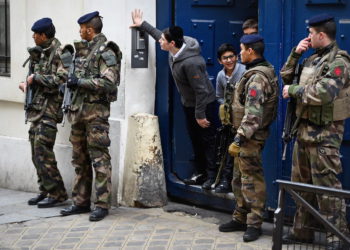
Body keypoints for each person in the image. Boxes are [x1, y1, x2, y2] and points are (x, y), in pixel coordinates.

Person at [280, 13, 350, 250]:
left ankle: (336, 238)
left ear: (321, 35)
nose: (308, 37)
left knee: (328, 190)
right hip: (303, 132)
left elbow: (324, 93)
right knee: (301, 185)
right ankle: (302, 233)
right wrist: (295, 54)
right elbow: (285, 77)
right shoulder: (310, 60)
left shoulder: (339, 62)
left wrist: (295, 90)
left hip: (324, 135)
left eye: (311, 33)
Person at [130, 9, 217, 189]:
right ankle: (200, 173)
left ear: (171, 44)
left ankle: (212, 176)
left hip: (203, 105)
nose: (159, 41)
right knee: (195, 139)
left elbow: (201, 91)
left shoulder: (191, 62)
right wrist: (142, 25)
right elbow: (158, 34)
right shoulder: (175, 48)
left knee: (207, 141)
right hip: (189, 104)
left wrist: (200, 115)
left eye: (163, 40)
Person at [60, 11, 122, 221]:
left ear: (90, 29)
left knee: (99, 160)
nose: (79, 32)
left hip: (96, 116)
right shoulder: (80, 52)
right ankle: (80, 202)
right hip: (78, 113)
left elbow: (108, 83)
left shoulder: (106, 52)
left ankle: (102, 205)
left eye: (82, 28)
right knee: (79, 160)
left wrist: (80, 83)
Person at [218, 34, 278, 242]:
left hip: (249, 137)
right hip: (243, 137)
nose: (239, 53)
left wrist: (239, 138)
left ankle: (254, 223)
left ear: (250, 51)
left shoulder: (257, 78)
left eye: (242, 49)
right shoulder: (256, 72)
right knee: (238, 179)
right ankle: (240, 217)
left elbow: (253, 115)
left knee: (251, 180)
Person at [18, 18, 69, 208]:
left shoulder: (60, 52)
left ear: (44, 35)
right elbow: (35, 78)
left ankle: (58, 193)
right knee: (35, 152)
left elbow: (62, 79)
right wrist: (26, 85)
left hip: (50, 110)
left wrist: (36, 79)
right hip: (37, 109)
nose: (33, 37)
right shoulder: (40, 53)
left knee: (43, 152)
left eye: (36, 34)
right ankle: (45, 189)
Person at [215, 43, 245, 193]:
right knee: (228, 151)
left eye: (231, 57)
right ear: (220, 61)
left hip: (243, 119)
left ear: (237, 57)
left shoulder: (244, 72)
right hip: (229, 121)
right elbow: (219, 96)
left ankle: (236, 184)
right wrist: (226, 108)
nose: (229, 60)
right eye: (225, 58)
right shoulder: (221, 76)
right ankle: (225, 181)